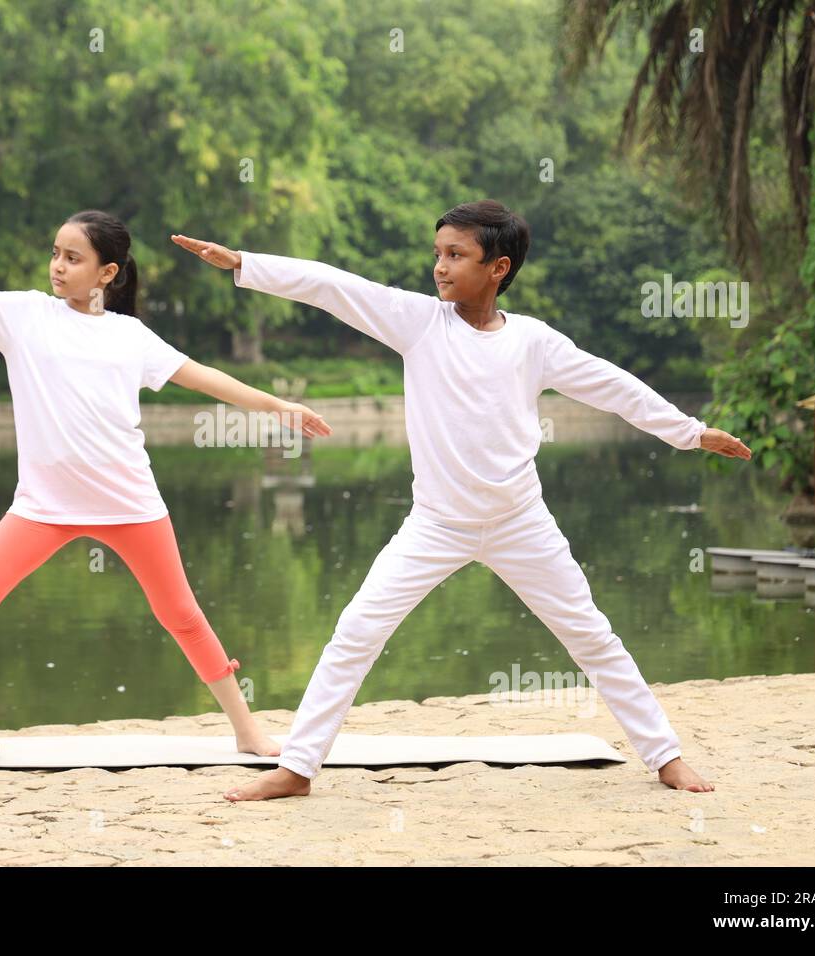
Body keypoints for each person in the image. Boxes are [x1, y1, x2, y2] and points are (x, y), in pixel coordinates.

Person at [172, 198, 752, 801]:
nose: (440, 267)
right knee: (355, 632)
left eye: (456, 255)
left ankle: (666, 757)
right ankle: (297, 769)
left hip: (521, 522)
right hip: (436, 525)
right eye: (437, 254)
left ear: (498, 268)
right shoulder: (419, 322)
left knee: (593, 636)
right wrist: (245, 263)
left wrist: (687, 431)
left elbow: (610, 385)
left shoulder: (534, 342)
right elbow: (332, 286)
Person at [0, 209, 332, 770]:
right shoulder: (25, 315)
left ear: (107, 272)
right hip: (44, 507)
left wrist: (278, 406)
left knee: (181, 615)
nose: (57, 267)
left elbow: (208, 379)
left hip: (128, 503)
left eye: (73, 258)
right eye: (56, 253)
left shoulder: (129, 336)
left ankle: (248, 731)